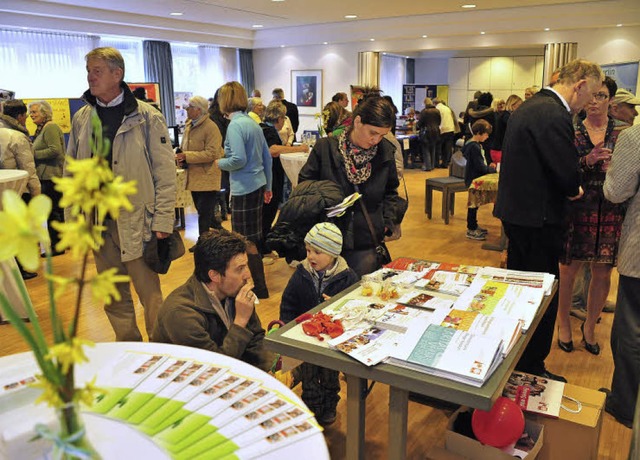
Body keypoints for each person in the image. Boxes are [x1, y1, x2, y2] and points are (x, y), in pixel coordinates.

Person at [494, 58, 604, 382]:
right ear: (580, 85)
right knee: (540, 296)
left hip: (520, 216)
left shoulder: (530, 106)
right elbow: (565, 173)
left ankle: (518, 361)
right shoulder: (554, 114)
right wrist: (576, 187)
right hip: (538, 220)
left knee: (522, 292)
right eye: (592, 95)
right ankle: (531, 367)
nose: (590, 104)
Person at [67, 47, 176, 342]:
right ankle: (129, 350)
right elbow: (72, 172)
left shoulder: (146, 117)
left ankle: (161, 350)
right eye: (89, 71)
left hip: (137, 221)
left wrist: (164, 220)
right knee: (113, 296)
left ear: (118, 74)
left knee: (150, 295)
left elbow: (165, 174)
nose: (91, 77)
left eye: (97, 70)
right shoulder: (83, 118)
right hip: (98, 222)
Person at [557, 77, 628, 356]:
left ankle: (590, 327)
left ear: (611, 100)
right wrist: (586, 161)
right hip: (578, 205)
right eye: (592, 95)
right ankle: (563, 322)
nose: (594, 101)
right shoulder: (570, 130)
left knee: (602, 271)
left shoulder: (624, 132)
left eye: (601, 96)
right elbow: (561, 169)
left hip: (611, 207)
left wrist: (616, 168)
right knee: (568, 268)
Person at [298, 95, 402, 277]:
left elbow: (391, 192)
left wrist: (386, 222)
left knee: (362, 294)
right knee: (328, 296)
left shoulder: (385, 151)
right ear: (358, 121)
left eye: (382, 135)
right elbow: (304, 188)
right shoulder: (326, 149)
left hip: (366, 238)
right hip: (328, 238)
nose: (376, 140)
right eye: (372, 133)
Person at [152, 229, 272, 372]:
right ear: (214, 275)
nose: (248, 274)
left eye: (246, 265)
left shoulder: (234, 289)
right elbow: (215, 369)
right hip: (185, 382)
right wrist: (240, 321)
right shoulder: (180, 313)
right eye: (240, 269)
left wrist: (271, 371)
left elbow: (255, 338)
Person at [280, 222, 359, 425]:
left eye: (317, 251)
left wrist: (336, 308)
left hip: (331, 343)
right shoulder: (301, 273)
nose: (311, 256)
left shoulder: (348, 277)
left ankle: (329, 405)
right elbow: (288, 301)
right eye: (308, 250)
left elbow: (355, 307)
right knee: (309, 376)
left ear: (333, 253)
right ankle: (312, 407)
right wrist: (285, 326)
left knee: (330, 376)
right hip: (305, 339)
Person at [216, 81, 272, 299]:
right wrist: (268, 186)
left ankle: (255, 287)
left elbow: (238, 159)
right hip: (257, 185)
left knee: (243, 240)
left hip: (244, 187)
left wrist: (219, 162)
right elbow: (266, 158)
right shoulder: (252, 123)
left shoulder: (236, 125)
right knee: (252, 238)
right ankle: (259, 286)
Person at [602, 122, 640, 429]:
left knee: (631, 329)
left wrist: (610, 170)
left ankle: (625, 404)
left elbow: (615, 192)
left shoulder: (634, 136)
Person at [259, 100, 309, 261]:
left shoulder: (260, 127)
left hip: (267, 176)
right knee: (268, 212)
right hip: (271, 177)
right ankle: (263, 248)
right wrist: (299, 148)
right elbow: (273, 150)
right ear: (279, 118)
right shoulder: (269, 131)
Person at [0, 99, 41, 280]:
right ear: (20, 116)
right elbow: (28, 169)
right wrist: (36, 195)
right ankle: (19, 270)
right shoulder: (17, 137)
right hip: (17, 192)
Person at [176, 95, 223, 250]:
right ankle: (216, 237)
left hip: (207, 176)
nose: (187, 110)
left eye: (189, 107)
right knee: (202, 212)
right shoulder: (190, 125)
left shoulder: (211, 127)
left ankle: (204, 244)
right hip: (195, 176)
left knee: (204, 214)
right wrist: (181, 154)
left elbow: (212, 153)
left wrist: (187, 156)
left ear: (198, 109)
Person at [28, 100, 65, 257]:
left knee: (53, 212)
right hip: (46, 177)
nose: (31, 115)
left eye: (35, 112)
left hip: (52, 177)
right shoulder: (41, 129)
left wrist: (32, 155)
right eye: (30, 112)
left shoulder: (50, 127)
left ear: (44, 113)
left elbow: (55, 150)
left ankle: (58, 246)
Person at [463, 120, 496, 241]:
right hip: (474, 179)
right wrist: (491, 169)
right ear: (478, 133)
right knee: (473, 205)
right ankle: (471, 229)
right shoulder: (474, 147)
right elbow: (480, 167)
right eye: (486, 134)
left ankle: (474, 225)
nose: (487, 137)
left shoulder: (471, 144)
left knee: (475, 205)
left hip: (473, 177)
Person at [209, 88, 230, 222]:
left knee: (224, 184)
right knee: (221, 184)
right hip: (219, 153)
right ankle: (219, 211)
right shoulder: (214, 116)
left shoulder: (224, 115)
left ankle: (224, 208)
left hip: (225, 153)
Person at [490, 94, 522, 163]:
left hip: (498, 149)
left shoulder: (505, 115)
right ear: (512, 105)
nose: (521, 107)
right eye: (519, 105)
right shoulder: (506, 117)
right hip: (499, 150)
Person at [467, 92, 495, 164]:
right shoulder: (491, 113)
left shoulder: (472, 113)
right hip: (487, 141)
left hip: (474, 139)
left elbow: (467, 123)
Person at [416, 97, 440, 171]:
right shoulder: (437, 111)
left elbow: (420, 123)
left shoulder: (424, 111)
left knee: (425, 149)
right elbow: (439, 121)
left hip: (426, 132)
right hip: (436, 131)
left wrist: (417, 126)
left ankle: (427, 166)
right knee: (433, 148)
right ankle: (432, 165)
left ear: (425, 103)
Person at [433, 98, 456, 168]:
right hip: (451, 129)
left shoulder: (437, 109)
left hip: (442, 130)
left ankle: (436, 163)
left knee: (438, 148)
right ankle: (445, 163)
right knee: (447, 148)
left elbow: (437, 121)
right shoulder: (447, 108)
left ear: (434, 103)